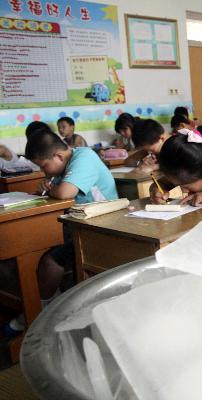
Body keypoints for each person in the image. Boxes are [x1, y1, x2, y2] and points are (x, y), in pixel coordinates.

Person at [4, 129, 118, 336]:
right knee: (30, 244)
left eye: (44, 166)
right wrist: (47, 186)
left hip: (100, 226)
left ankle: (41, 311)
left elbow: (65, 193)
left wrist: (52, 188)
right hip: (76, 222)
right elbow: (55, 191)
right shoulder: (62, 168)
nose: (44, 172)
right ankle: (46, 300)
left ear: (58, 156)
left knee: (49, 259)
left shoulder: (84, 157)